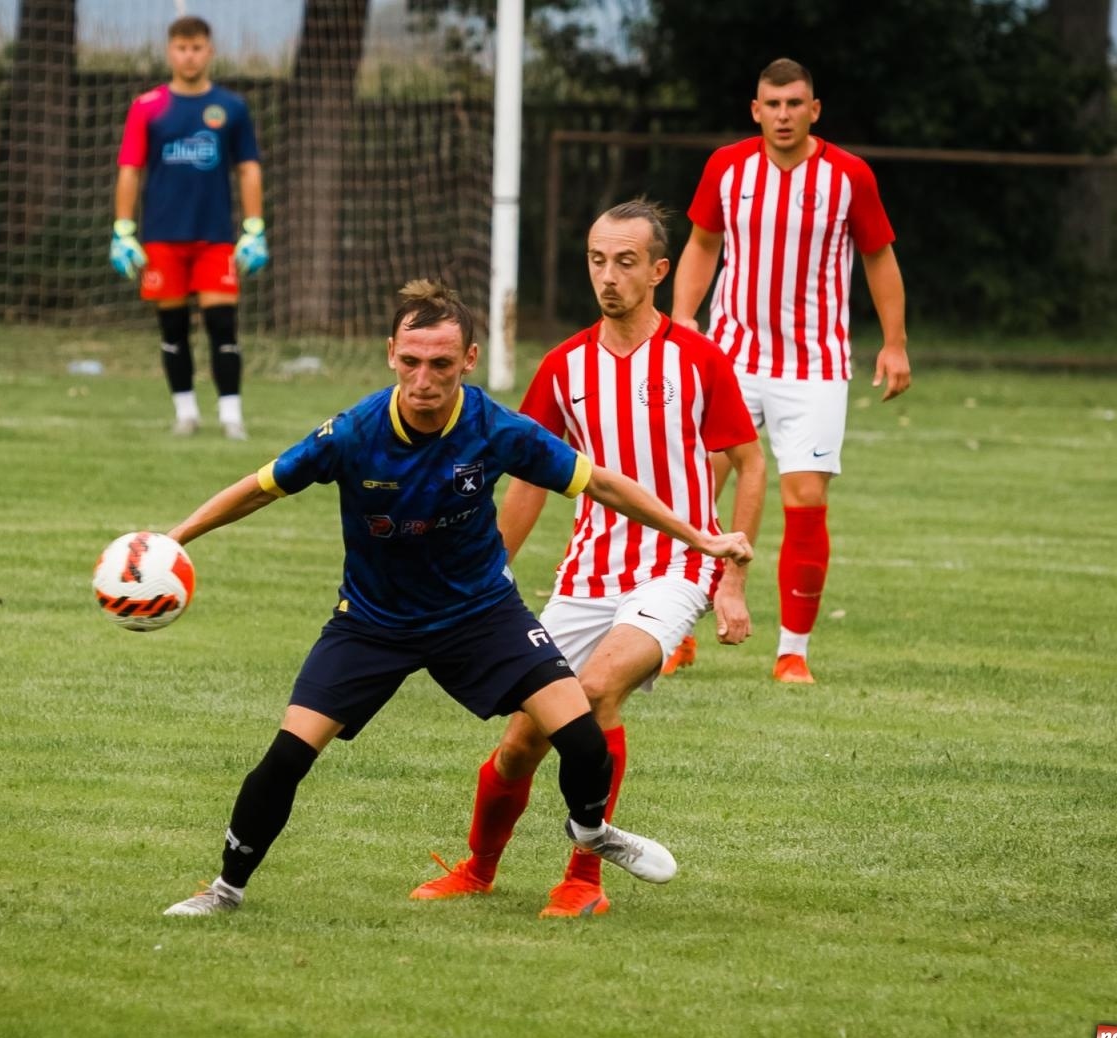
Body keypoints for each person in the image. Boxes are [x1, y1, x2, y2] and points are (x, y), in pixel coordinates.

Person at [160, 280, 754, 917]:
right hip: (372, 622)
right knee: (285, 758)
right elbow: (259, 487)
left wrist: (697, 535)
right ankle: (224, 891)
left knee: (581, 737)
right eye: (411, 362)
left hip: (479, 614)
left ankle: (590, 833)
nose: (424, 380)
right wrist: (173, 539)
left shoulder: (494, 428)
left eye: (441, 364)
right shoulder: (353, 433)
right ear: (391, 353)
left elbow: (602, 484)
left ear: (468, 361)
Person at [408, 200, 765, 919]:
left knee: (598, 691)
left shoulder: (698, 360)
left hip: (676, 568)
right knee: (522, 741)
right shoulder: (565, 367)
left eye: (626, 261)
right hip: (586, 575)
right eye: (598, 260)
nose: (609, 275)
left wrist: (731, 582)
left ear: (660, 270)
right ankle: (478, 870)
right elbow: (527, 478)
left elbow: (749, 464)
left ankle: (584, 877)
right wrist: (483, 576)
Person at [671, 57, 912, 685]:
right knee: (696, 493)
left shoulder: (848, 176)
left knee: (805, 498)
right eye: (772, 105)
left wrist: (895, 343)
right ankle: (674, 633)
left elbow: (878, 257)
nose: (783, 114)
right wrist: (680, 321)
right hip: (729, 356)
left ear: (814, 109)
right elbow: (700, 244)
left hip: (814, 366)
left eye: (794, 103)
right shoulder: (727, 167)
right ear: (756, 111)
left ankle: (792, 652)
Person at [110, 15, 267, 441]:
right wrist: (123, 230)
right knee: (173, 330)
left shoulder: (231, 108)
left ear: (209, 51)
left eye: (196, 47)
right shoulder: (148, 107)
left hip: (215, 238)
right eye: (181, 47)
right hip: (162, 238)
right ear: (170, 51)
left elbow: (248, 168)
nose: (189, 55)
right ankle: (185, 413)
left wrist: (254, 227)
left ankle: (231, 415)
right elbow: (130, 169)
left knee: (222, 326)